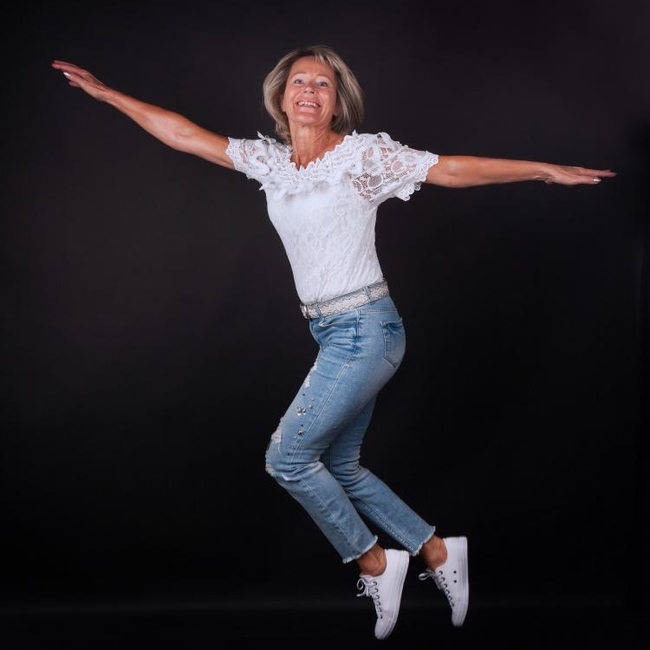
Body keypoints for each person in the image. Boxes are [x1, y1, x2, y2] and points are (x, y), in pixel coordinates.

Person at [51, 45, 615, 640]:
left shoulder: (362, 157)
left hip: (367, 329)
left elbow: (449, 169)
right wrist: (107, 94)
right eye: (300, 81)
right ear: (281, 96)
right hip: (332, 333)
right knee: (341, 466)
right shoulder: (271, 163)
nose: (310, 91)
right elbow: (184, 135)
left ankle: (375, 562)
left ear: (337, 101)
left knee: (287, 459)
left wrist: (541, 170)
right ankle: (438, 550)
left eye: (323, 84)